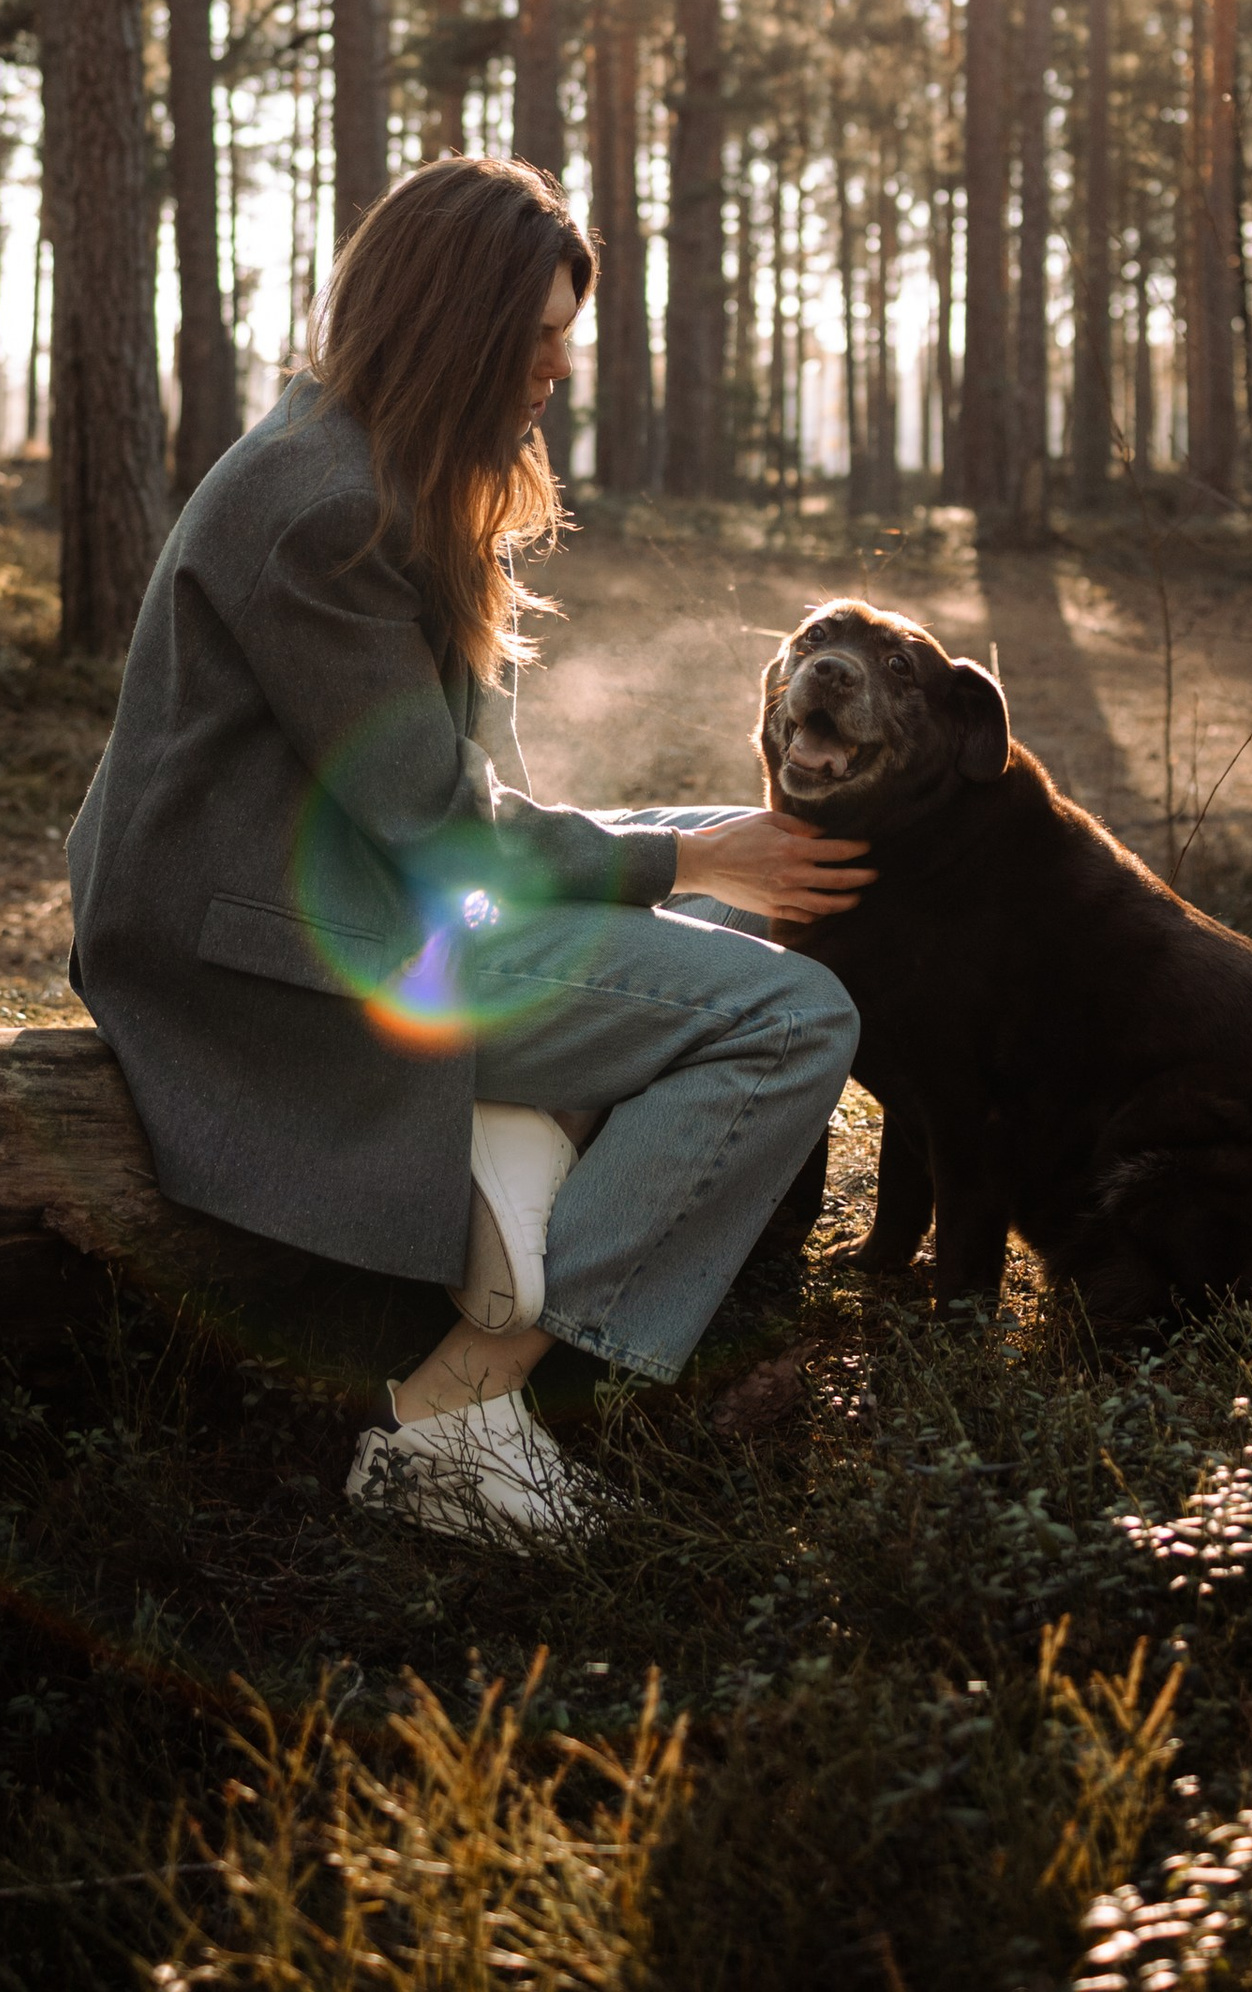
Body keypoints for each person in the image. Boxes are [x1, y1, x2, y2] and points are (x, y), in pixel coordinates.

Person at [65, 153, 868, 1542]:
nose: (560, 368)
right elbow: (441, 830)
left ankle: (518, 1138)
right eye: (536, 335)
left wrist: (685, 858)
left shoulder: (384, 464)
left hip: (364, 897)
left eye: (567, 334)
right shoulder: (319, 507)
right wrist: (675, 868)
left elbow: (457, 786)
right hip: (277, 964)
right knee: (798, 1017)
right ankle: (463, 1407)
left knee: (730, 873)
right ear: (450, 319)